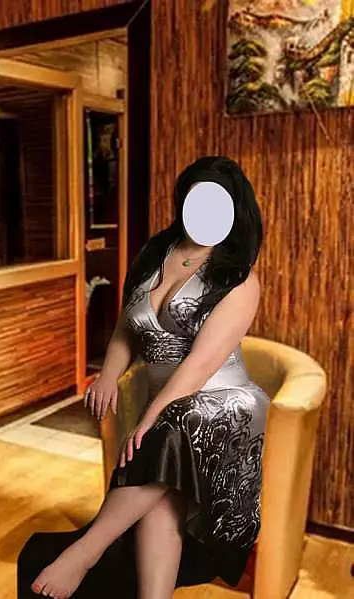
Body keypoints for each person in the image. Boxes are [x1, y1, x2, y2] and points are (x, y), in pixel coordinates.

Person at [30, 156, 267, 598]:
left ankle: (85, 553)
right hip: (170, 404)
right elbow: (129, 324)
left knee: (170, 434)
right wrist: (107, 375)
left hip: (221, 401)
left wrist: (150, 416)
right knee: (166, 491)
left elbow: (200, 364)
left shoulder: (240, 278)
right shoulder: (156, 255)